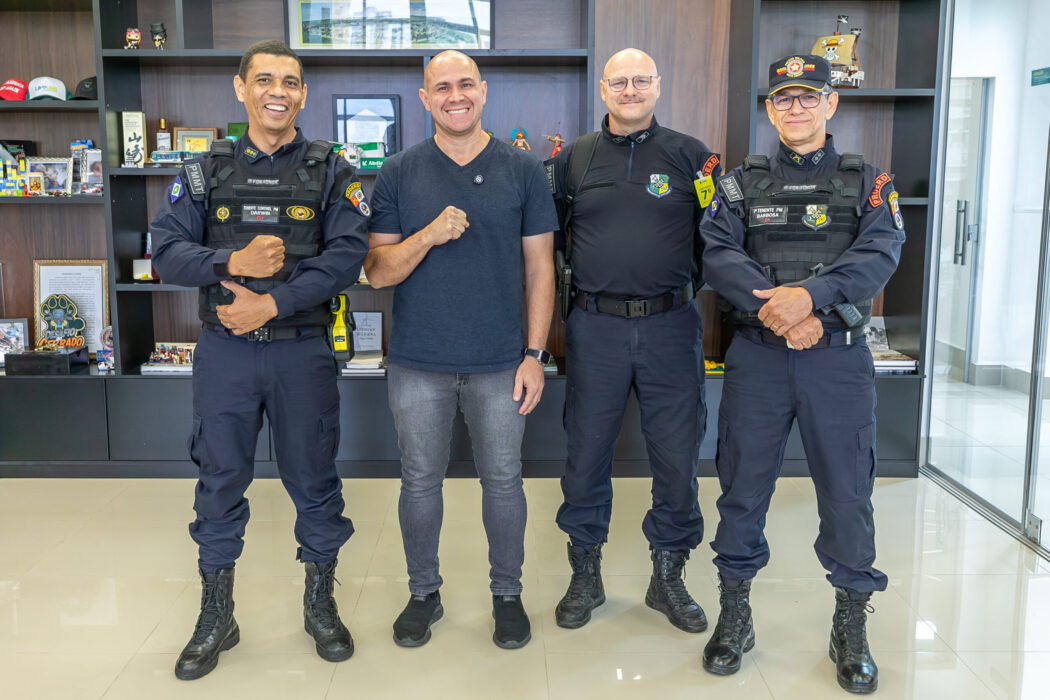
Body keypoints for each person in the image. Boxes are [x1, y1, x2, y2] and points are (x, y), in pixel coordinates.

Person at [151, 39, 369, 680]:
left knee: (314, 480)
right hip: (226, 356)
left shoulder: (334, 169)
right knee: (219, 480)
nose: (280, 91)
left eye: (293, 82)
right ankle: (217, 613)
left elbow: (345, 258)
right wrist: (229, 263)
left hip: (303, 353)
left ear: (304, 93)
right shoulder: (204, 171)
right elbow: (165, 250)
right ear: (240, 87)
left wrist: (272, 306)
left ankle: (320, 604)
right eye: (267, 79)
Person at [698, 54, 905, 694]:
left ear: (830, 105)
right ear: (769, 109)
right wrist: (787, 312)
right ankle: (736, 618)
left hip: (835, 361)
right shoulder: (736, 184)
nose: (796, 108)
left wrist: (808, 300)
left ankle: (850, 626)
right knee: (742, 489)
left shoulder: (870, 182)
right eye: (784, 98)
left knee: (847, 493)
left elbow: (879, 255)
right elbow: (717, 254)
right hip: (759, 358)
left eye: (808, 97)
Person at [363, 50, 556, 650]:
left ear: (483, 90)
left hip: (503, 363)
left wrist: (534, 354)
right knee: (420, 483)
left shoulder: (524, 170)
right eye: (441, 87)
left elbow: (541, 268)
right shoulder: (398, 171)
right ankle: (424, 593)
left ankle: (507, 594)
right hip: (419, 363)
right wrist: (429, 233)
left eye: (465, 84)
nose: (454, 95)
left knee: (504, 482)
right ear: (425, 99)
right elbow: (376, 272)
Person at [546, 48, 720, 633]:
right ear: (603, 89)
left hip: (671, 326)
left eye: (640, 80)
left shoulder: (692, 156)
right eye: (618, 81)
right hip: (594, 326)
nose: (629, 90)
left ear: (657, 85)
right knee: (586, 455)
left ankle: (667, 577)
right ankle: (585, 574)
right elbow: (552, 244)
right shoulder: (573, 159)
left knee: (676, 457)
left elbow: (715, 241)